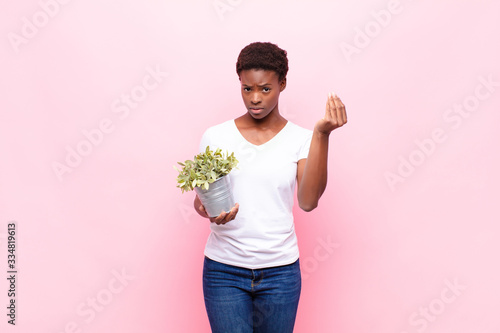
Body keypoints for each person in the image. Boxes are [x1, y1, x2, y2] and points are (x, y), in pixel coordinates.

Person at [193, 41, 347, 333]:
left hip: (280, 272)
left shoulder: (301, 139)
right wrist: (207, 209)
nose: (255, 98)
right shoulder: (215, 136)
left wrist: (322, 134)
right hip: (223, 270)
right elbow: (201, 201)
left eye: (265, 89)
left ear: (282, 84)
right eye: (247, 88)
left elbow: (308, 201)